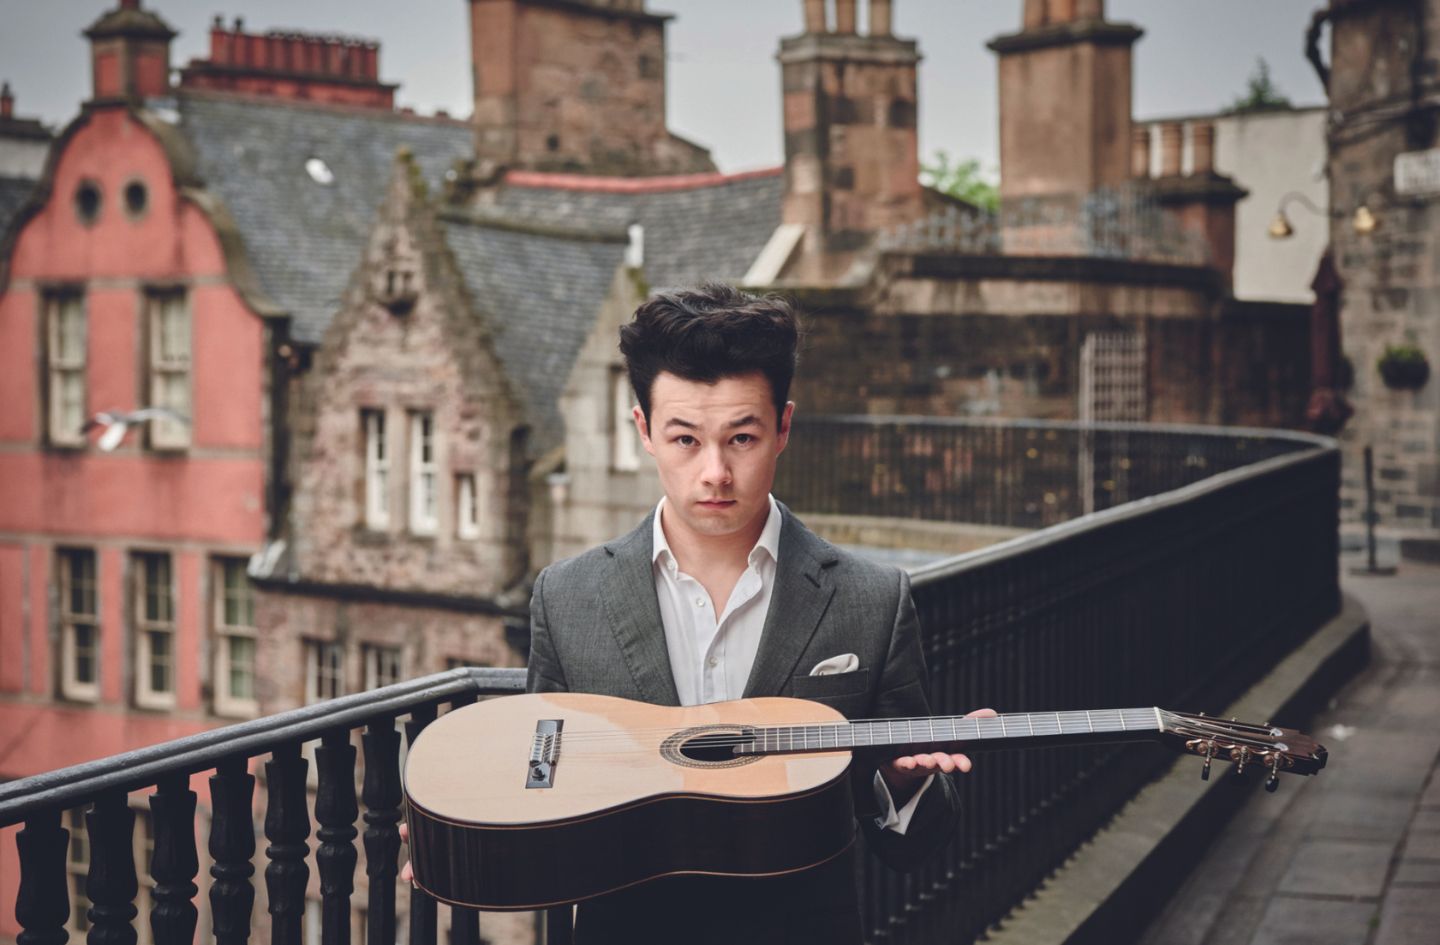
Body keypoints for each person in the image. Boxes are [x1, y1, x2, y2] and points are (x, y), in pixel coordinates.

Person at [404, 284, 993, 944]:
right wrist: (464, 824)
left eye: (741, 437)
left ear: (784, 428)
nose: (714, 471)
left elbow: (914, 848)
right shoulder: (568, 598)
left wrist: (901, 783)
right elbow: (551, 789)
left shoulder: (871, 599)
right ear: (644, 430)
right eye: (685, 438)